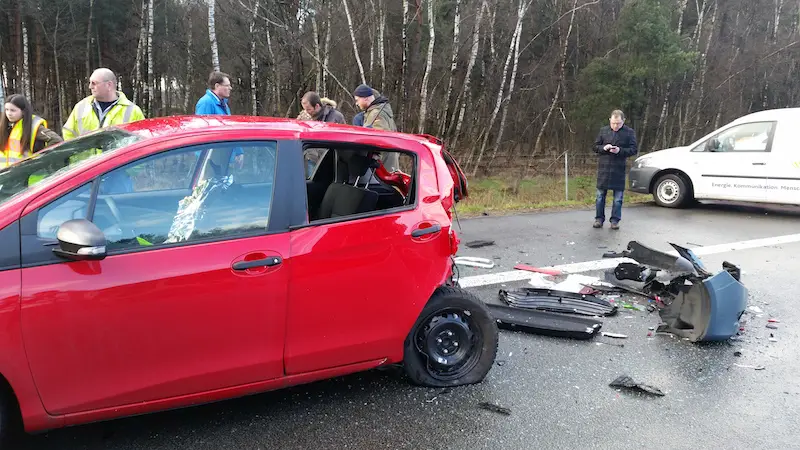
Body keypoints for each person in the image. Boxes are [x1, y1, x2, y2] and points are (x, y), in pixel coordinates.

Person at [62, 68, 145, 140]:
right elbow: (68, 133)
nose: (90, 87)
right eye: (90, 83)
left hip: (118, 154)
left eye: (94, 83)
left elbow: (141, 140)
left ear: (109, 85)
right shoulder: (81, 107)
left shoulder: (133, 111)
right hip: (85, 155)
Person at [592, 109, 638, 230]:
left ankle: (615, 221)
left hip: (619, 169)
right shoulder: (603, 130)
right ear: (610, 121)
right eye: (613, 123)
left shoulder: (629, 132)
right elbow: (595, 147)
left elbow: (633, 149)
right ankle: (599, 219)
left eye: (618, 123)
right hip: (604, 169)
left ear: (623, 121)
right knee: (600, 197)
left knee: (618, 199)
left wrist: (620, 151)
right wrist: (603, 148)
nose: (615, 126)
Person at [1, 94, 62, 167]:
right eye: (6, 110)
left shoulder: (33, 126)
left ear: (23, 111)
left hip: (26, 171)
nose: (9, 113)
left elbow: (56, 140)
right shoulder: (5, 126)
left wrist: (41, 158)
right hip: (5, 172)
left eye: (13, 110)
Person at [353, 84, 398, 170]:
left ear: (365, 98)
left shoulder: (376, 114)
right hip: (387, 163)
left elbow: (380, 140)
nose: (357, 103)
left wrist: (373, 159)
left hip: (382, 167)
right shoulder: (378, 111)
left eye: (357, 100)